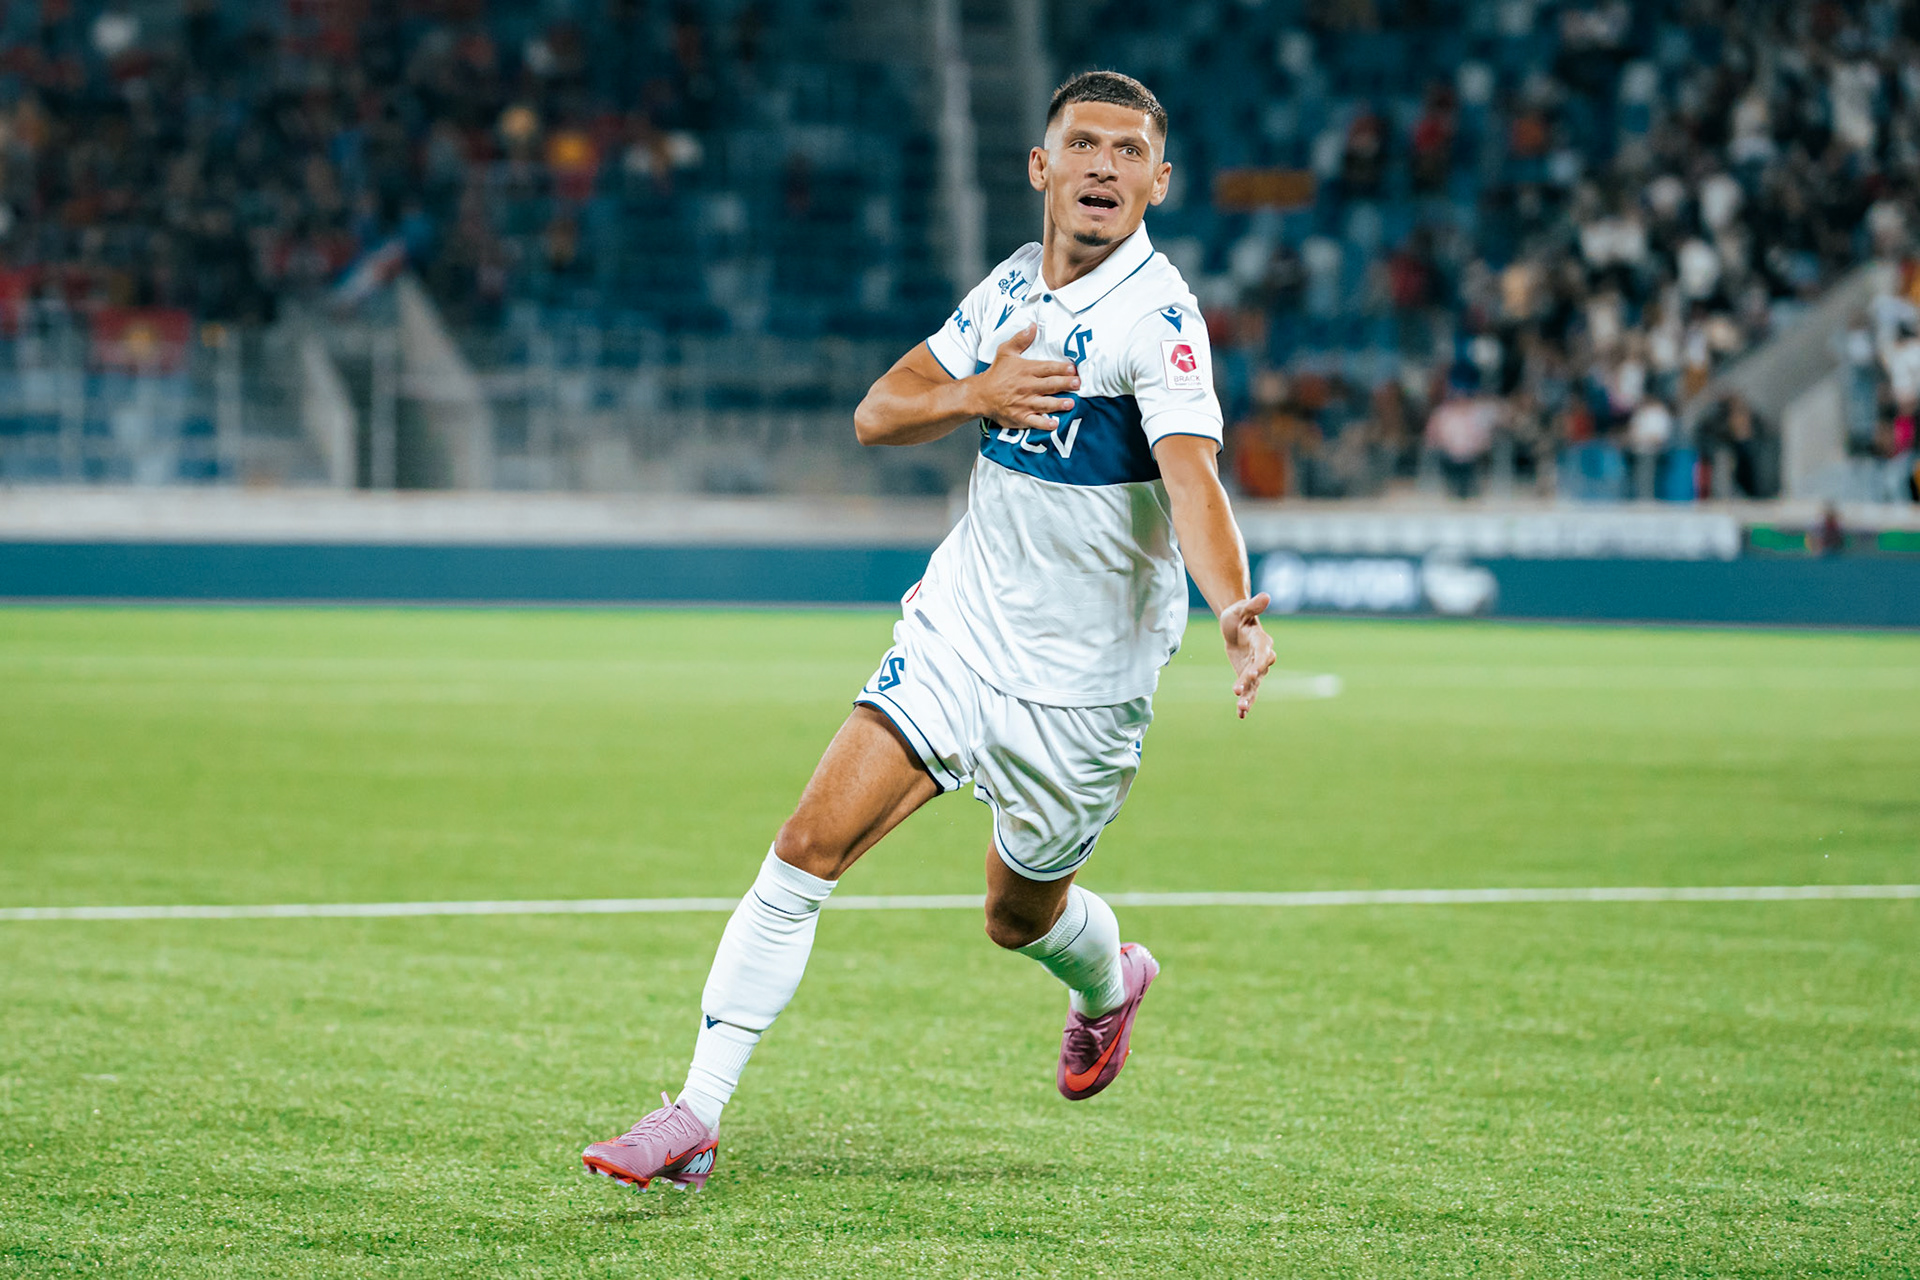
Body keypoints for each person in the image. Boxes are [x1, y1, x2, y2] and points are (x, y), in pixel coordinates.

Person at [580, 71, 1278, 1192]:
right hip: (963, 629)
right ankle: (695, 1111)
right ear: (1042, 168)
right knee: (806, 845)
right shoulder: (1008, 288)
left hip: (1082, 687)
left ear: (1159, 180)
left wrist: (1234, 604)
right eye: (1082, 145)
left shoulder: (1161, 318)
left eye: (1128, 150)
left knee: (1016, 914)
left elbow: (1193, 478)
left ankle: (1111, 979)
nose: (1104, 165)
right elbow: (879, 408)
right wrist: (979, 392)